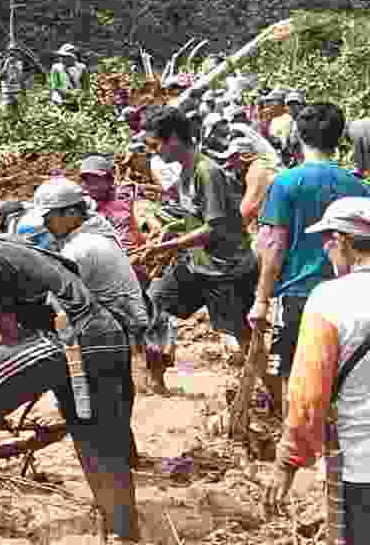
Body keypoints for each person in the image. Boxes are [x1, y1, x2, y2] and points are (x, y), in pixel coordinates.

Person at [0, 234, 139, 540]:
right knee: (95, 436)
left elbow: (12, 338)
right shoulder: (9, 246)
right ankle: (122, 529)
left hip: (70, 342)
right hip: (105, 336)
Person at [263, 197, 370, 545]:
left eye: (330, 239)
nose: (327, 247)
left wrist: (286, 464)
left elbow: (306, 402)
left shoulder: (330, 301)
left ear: (347, 244)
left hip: (359, 473)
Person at [250, 103, 370, 418]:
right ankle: (332, 455)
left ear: (298, 136)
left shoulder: (286, 183)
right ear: (338, 138)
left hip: (296, 296)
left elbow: (274, 247)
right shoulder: (358, 186)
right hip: (348, 296)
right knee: (341, 379)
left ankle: (300, 453)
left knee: (295, 381)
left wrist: (261, 300)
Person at [32, 178, 151, 465]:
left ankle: (113, 460)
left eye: (50, 218)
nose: (46, 225)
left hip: (111, 325)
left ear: (72, 214)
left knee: (104, 395)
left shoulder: (81, 247)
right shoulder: (96, 231)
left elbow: (56, 299)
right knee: (117, 392)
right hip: (123, 321)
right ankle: (124, 455)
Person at [133, 106, 259, 364]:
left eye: (156, 144)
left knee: (241, 334)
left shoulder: (207, 172)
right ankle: (153, 376)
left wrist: (170, 246)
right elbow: (194, 218)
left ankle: (272, 391)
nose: (153, 151)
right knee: (154, 300)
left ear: (174, 139)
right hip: (197, 264)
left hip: (226, 270)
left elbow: (215, 227)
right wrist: (170, 229)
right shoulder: (186, 171)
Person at [228, 125, 283, 227]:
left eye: (232, 158)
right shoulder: (262, 164)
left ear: (243, 156)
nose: (229, 163)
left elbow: (247, 209)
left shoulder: (257, 169)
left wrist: (230, 227)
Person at [48, 43, 84, 109]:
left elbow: (86, 87)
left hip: (77, 102)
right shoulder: (56, 67)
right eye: (61, 56)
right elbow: (54, 86)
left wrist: (78, 96)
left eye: (65, 57)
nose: (62, 59)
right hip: (60, 101)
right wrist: (65, 95)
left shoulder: (81, 68)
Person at [0, 45, 34, 113]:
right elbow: (0, 76)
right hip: (7, 93)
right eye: (11, 52)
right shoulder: (3, 62)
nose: (13, 54)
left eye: (15, 51)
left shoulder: (21, 63)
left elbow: (24, 78)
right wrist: (7, 64)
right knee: (7, 113)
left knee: (19, 113)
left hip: (17, 92)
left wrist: (24, 93)